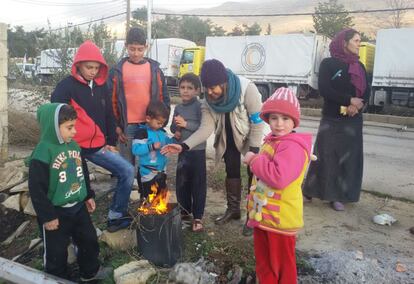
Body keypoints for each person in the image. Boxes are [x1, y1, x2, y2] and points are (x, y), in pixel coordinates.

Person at [161, 59, 264, 235]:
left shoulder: (247, 89)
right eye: (206, 88)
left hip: (251, 136)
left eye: (214, 87)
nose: (210, 92)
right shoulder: (208, 100)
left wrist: (253, 151)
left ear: (223, 82)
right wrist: (184, 146)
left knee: (254, 177)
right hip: (228, 136)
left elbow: (258, 121)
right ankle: (233, 210)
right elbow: (206, 128)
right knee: (231, 172)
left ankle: (253, 217)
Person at [51, 40, 135, 232]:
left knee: (128, 171)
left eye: (97, 68)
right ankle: (78, 229)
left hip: (98, 146)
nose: (93, 71)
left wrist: (111, 141)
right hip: (73, 147)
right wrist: (64, 144)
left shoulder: (101, 86)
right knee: (79, 186)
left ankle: (116, 216)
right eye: (89, 67)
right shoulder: (65, 87)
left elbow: (108, 115)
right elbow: (56, 116)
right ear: (78, 64)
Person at [28, 103, 111, 282]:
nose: (74, 131)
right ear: (53, 127)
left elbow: (83, 173)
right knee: (56, 251)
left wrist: (88, 195)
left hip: (78, 207)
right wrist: (47, 216)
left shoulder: (74, 146)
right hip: (56, 213)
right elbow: (36, 189)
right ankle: (56, 279)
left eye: (74, 126)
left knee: (88, 240)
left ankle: (90, 272)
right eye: (69, 127)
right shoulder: (42, 152)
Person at [243, 87, 312, 284]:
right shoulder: (274, 141)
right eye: (274, 118)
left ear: (294, 121)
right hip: (266, 218)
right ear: (267, 119)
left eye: (285, 118)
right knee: (265, 264)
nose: (279, 124)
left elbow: (279, 177)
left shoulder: (292, 146)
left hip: (281, 221)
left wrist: (254, 160)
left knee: (282, 266)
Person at [302, 28, 370, 211]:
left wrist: (357, 105)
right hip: (332, 118)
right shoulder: (328, 64)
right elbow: (325, 89)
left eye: (359, 40)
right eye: (356, 40)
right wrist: (349, 100)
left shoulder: (360, 66)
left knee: (347, 158)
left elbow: (367, 91)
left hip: (353, 120)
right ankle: (313, 191)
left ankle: (340, 195)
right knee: (325, 155)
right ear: (344, 42)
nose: (359, 44)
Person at [108, 27, 170, 170]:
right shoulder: (117, 71)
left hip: (149, 124)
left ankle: (145, 191)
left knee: (149, 163)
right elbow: (111, 101)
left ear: (146, 47)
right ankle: (127, 191)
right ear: (126, 46)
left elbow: (164, 97)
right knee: (126, 165)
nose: (136, 53)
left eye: (140, 49)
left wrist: (162, 121)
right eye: (132, 49)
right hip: (127, 127)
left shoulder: (154, 70)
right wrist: (116, 126)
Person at [170, 73, 206, 232]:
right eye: (183, 87)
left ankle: (197, 217)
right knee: (182, 183)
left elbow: (202, 127)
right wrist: (176, 131)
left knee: (197, 184)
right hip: (182, 151)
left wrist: (186, 124)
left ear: (197, 90)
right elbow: (173, 126)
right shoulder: (178, 107)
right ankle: (185, 212)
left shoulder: (200, 106)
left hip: (197, 151)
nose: (185, 91)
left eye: (190, 88)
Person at [132, 101, 173, 200]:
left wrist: (174, 141)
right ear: (148, 119)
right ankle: (146, 213)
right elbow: (135, 150)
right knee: (148, 197)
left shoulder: (163, 132)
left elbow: (169, 143)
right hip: (147, 172)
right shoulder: (142, 133)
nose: (161, 125)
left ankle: (159, 213)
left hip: (161, 170)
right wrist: (151, 146)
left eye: (163, 123)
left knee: (161, 196)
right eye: (159, 123)